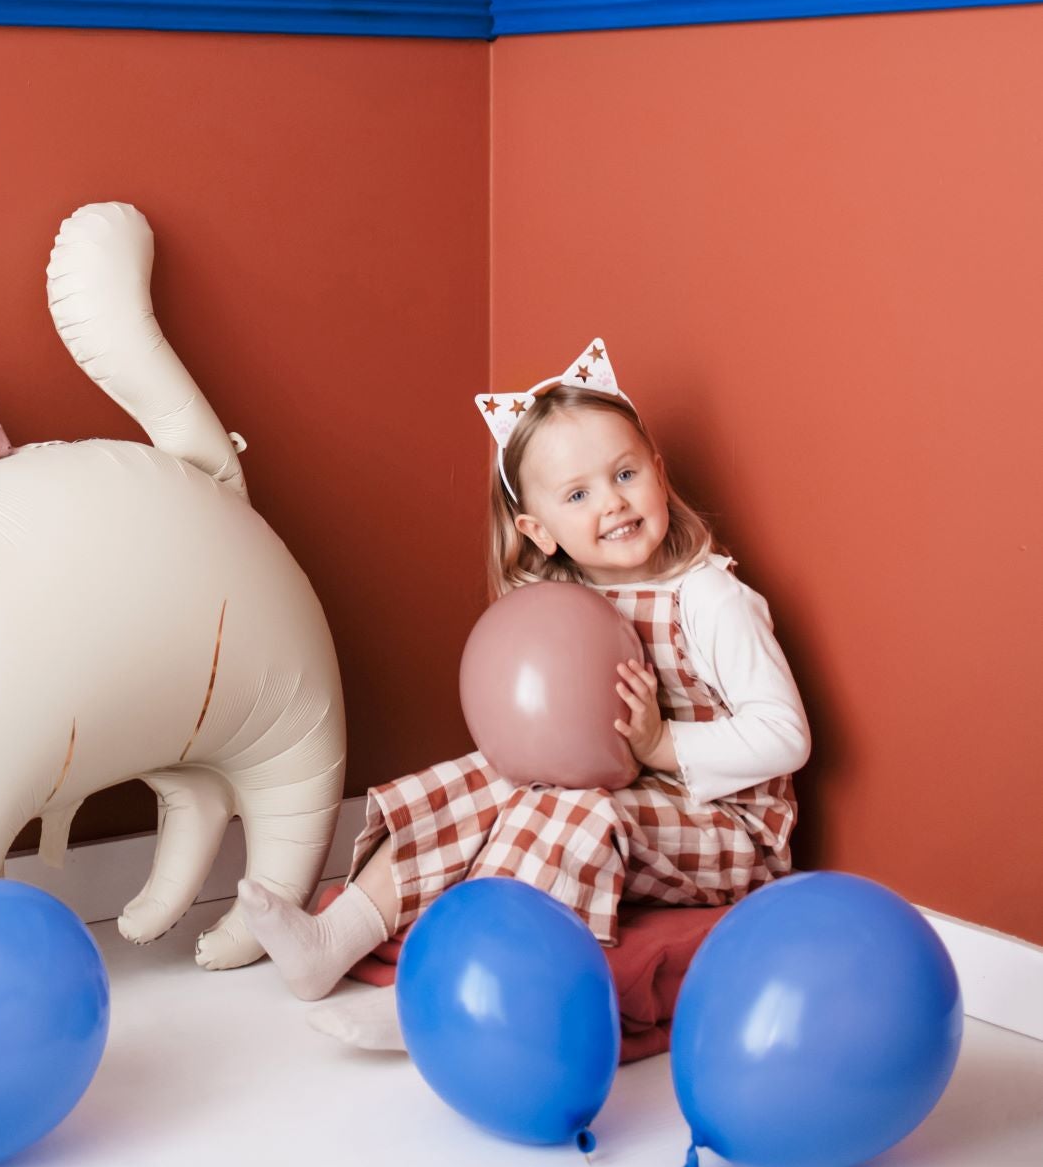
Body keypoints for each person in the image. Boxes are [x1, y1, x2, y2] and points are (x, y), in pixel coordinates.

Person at [238, 341, 810, 1047]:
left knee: (570, 805)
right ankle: (337, 934)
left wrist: (663, 743)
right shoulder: (562, 604)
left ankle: (451, 992)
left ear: (659, 474)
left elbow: (788, 735)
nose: (613, 502)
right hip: (623, 791)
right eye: (578, 494)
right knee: (483, 777)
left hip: (724, 828)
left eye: (626, 473)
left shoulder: (708, 596)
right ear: (539, 531)